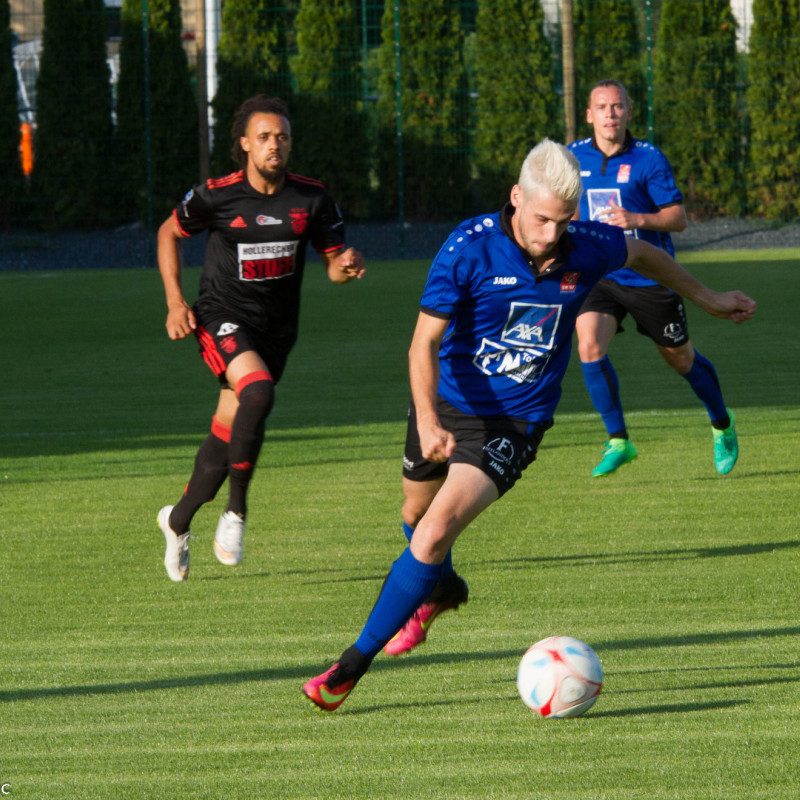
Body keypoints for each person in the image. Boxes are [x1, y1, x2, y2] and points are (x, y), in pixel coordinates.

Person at [301, 139, 754, 711]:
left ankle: (348, 669)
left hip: (515, 422)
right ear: (515, 197)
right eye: (541, 218)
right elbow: (424, 342)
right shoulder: (468, 249)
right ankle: (442, 588)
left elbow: (642, 254)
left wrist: (707, 298)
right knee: (415, 520)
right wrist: (427, 419)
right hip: (443, 405)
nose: (550, 234)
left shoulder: (584, 246)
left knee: (435, 531)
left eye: (563, 222)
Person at [155, 94, 365, 582]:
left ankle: (177, 520)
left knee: (229, 431)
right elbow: (168, 232)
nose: (276, 145)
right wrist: (174, 301)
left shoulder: (312, 199)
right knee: (258, 392)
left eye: (283, 137)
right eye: (265, 137)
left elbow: (333, 268)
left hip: (276, 331)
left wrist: (345, 265)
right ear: (245, 144)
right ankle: (236, 515)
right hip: (221, 315)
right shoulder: (215, 194)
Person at [569, 79, 739, 478]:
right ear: (589, 115)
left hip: (650, 278)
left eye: (617, 106)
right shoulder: (572, 156)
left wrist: (637, 219)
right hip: (601, 275)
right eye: (602, 107)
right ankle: (619, 441)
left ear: (629, 111)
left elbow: (676, 218)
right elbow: (569, 207)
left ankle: (722, 422)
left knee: (681, 359)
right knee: (589, 345)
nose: (610, 114)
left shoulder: (648, 158)